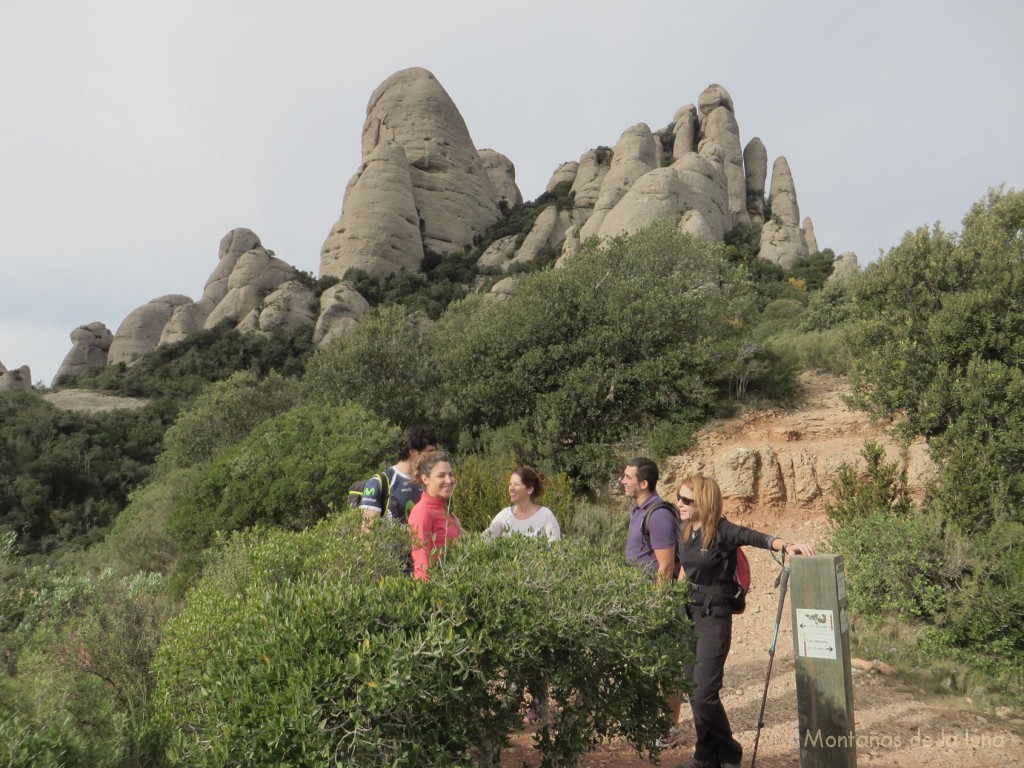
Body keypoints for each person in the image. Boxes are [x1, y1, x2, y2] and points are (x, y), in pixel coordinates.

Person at [673, 473, 815, 768]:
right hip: (687, 615)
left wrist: (786, 546)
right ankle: (704, 756)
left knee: (704, 693)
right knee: (693, 691)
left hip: (714, 619)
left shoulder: (721, 531)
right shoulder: (686, 530)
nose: (679, 504)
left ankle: (730, 753)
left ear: (705, 502)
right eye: (679, 497)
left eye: (687, 500)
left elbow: (753, 536)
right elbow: (684, 570)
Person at [622, 457, 687, 749]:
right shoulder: (638, 509)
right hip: (639, 600)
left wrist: (657, 607)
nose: (623, 481)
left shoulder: (658, 515)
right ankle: (653, 724)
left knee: (665, 668)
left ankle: (670, 730)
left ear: (643, 483)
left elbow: (665, 566)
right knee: (648, 665)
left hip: (655, 602)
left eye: (627, 477)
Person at [359, 425, 437, 528]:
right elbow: (367, 532)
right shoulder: (379, 483)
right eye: (430, 451)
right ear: (413, 452)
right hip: (393, 543)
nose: (435, 456)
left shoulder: (429, 481)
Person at [407, 452, 463, 581]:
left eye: (450, 474)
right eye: (441, 476)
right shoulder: (422, 512)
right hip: (439, 588)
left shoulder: (444, 509)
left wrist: (460, 530)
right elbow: (421, 558)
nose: (449, 480)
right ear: (425, 479)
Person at [483, 466, 561, 542]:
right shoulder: (505, 515)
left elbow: (555, 548)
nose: (511, 488)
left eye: (516, 484)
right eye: (510, 484)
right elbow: (484, 541)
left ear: (529, 489)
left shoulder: (545, 515)